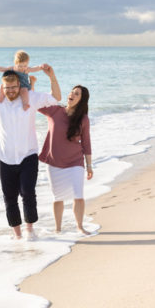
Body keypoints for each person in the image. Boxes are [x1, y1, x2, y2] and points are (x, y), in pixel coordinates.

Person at [0, 63, 61, 240]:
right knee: (9, 198)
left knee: (28, 193)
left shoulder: (30, 98)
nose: (11, 90)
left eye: (14, 87)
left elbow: (56, 97)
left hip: (28, 155)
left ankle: (30, 231)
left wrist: (52, 76)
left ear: (20, 85)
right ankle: (17, 236)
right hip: (4, 157)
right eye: (7, 87)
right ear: (3, 87)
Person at [38, 85, 94, 234]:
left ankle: (80, 227)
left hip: (75, 161)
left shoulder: (83, 119)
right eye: (72, 92)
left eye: (77, 94)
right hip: (54, 161)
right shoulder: (55, 110)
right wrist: (29, 83)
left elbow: (86, 143)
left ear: (81, 100)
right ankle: (58, 229)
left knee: (78, 195)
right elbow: (35, 103)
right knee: (58, 197)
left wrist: (89, 166)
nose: (72, 95)